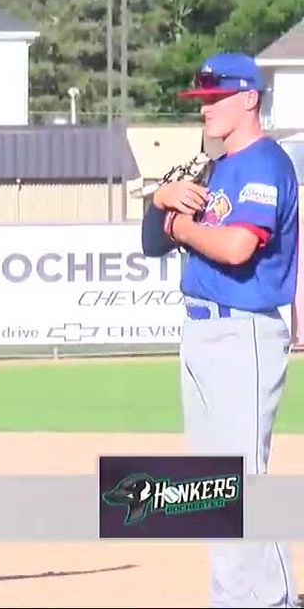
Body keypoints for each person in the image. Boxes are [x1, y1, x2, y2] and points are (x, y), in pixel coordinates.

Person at [149, 52, 299, 608]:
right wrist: (161, 203)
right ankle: (235, 599)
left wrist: (181, 225)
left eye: (215, 100)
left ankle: (271, 599)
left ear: (249, 99)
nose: (205, 110)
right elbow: (153, 235)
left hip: (243, 332)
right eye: (202, 102)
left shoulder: (264, 162)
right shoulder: (218, 165)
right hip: (204, 332)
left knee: (242, 480)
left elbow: (237, 248)